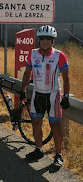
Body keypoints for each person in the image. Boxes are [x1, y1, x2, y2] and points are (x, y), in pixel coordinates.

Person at [20, 25, 70, 167]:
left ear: (53, 40)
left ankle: (59, 155)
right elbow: (27, 73)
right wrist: (23, 89)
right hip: (37, 93)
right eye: (42, 38)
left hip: (54, 94)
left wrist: (65, 96)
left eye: (48, 38)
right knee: (36, 123)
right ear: (39, 39)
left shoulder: (59, 55)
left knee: (55, 125)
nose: (45, 41)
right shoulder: (33, 54)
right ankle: (39, 149)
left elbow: (66, 78)